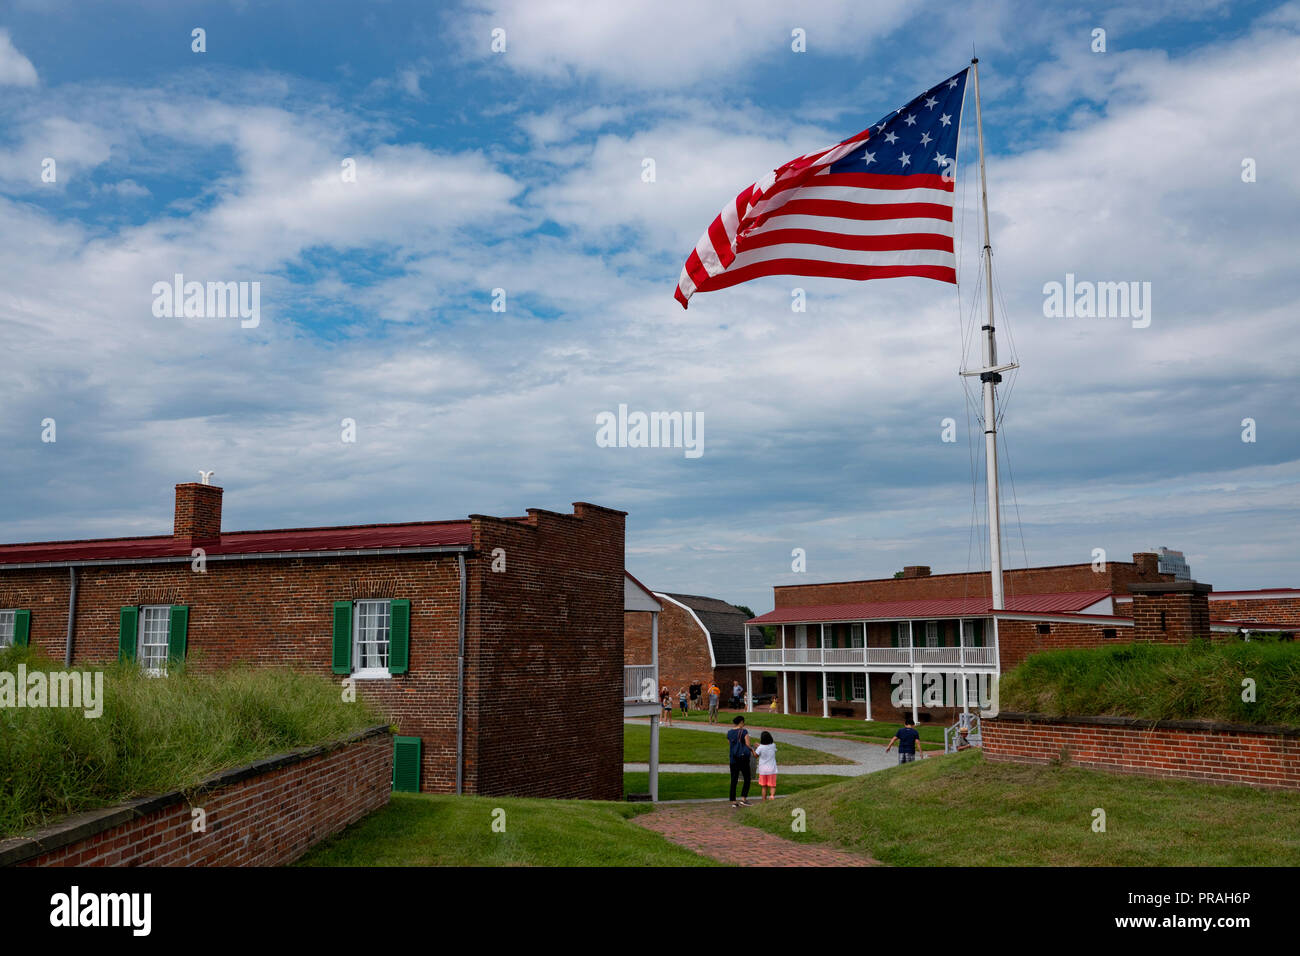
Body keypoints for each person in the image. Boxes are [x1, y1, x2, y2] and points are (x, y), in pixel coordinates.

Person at [727, 715, 758, 807]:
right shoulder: (744, 731)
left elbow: (730, 743)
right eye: (743, 722)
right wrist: (752, 750)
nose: (744, 724)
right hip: (743, 758)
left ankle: (733, 801)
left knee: (734, 779)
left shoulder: (729, 732)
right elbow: (748, 744)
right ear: (741, 722)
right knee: (747, 778)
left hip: (733, 758)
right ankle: (743, 799)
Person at [755, 731, 779, 801]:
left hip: (763, 770)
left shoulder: (760, 748)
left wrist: (752, 750)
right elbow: (768, 748)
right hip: (772, 769)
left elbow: (756, 755)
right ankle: (772, 796)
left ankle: (764, 801)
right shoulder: (773, 745)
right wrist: (759, 746)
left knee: (764, 786)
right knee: (772, 785)